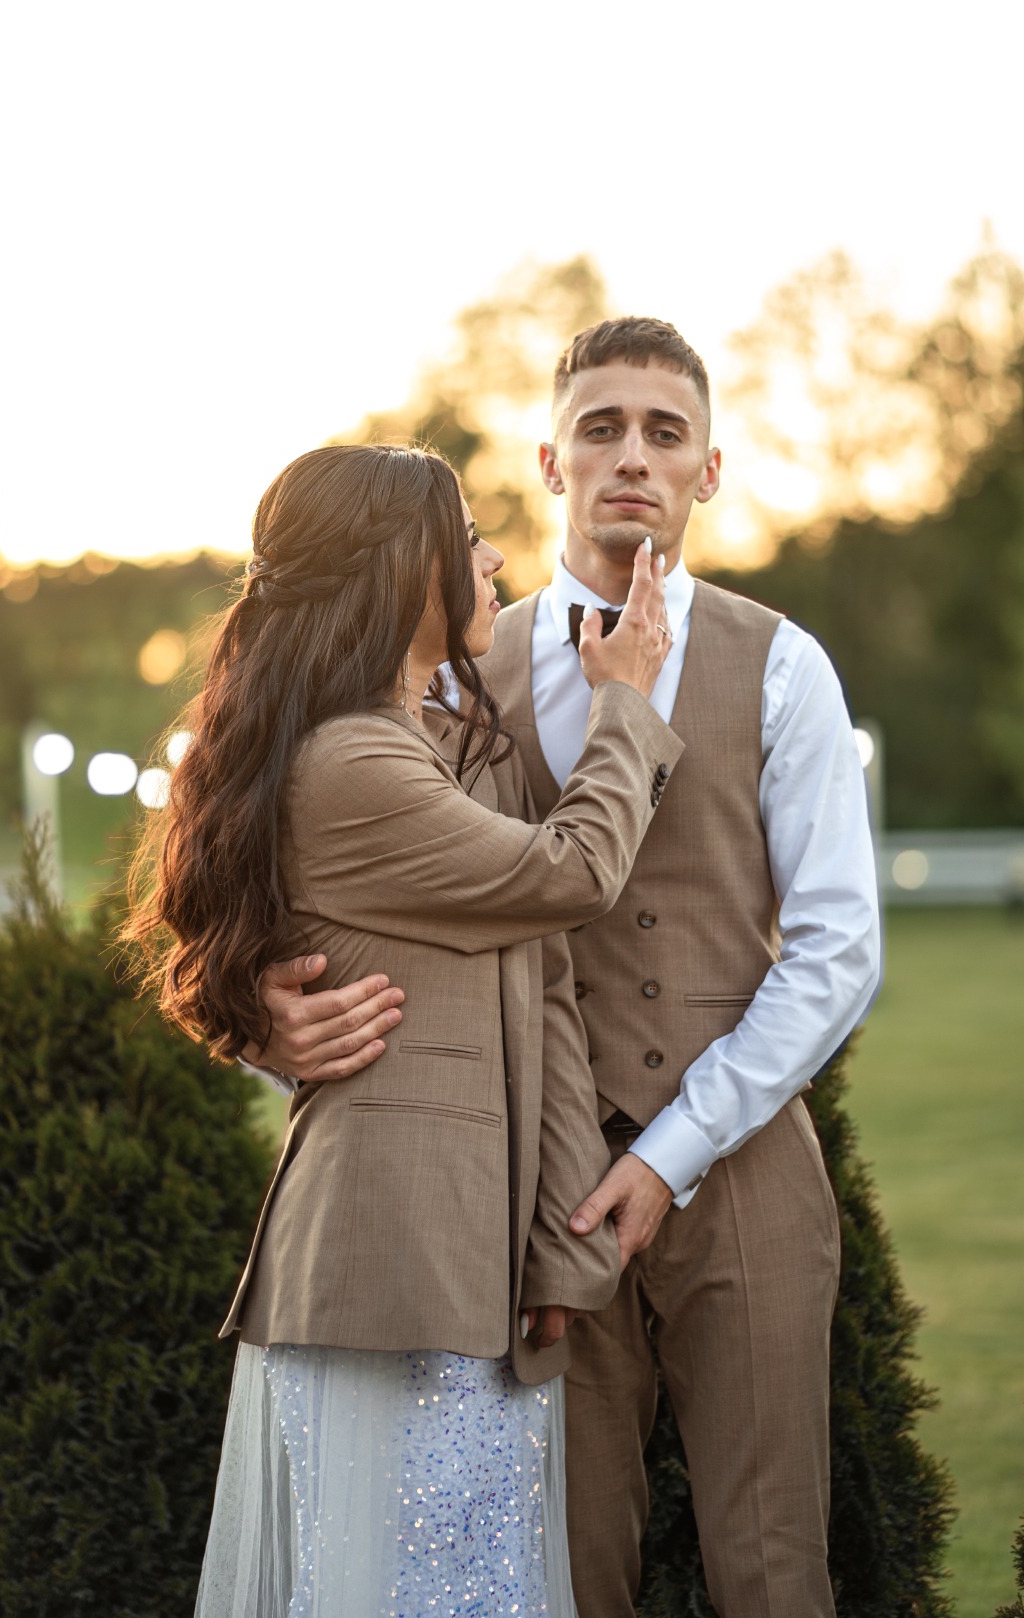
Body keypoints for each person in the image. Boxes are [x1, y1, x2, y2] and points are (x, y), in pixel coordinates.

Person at [251, 320, 882, 1618]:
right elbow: (315, 868)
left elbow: (837, 947)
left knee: (773, 1567)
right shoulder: (447, 665)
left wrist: (677, 1146)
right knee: (561, 1570)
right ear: (550, 459)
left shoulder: (785, 664)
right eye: (602, 427)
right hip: (527, 1193)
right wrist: (266, 1016)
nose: (632, 457)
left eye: (665, 432)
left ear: (709, 470)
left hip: (748, 1170)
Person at [125, 442, 680, 1617]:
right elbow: (573, 871)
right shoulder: (356, 761)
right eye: (462, 532)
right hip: (394, 1262)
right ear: (395, 569)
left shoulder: (425, 745)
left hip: (468, 1262)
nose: (489, 557)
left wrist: (555, 1245)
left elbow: (533, 996)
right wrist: (625, 702)